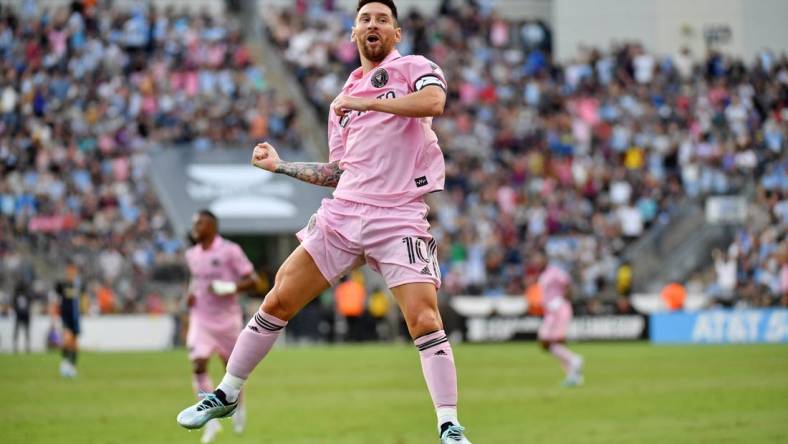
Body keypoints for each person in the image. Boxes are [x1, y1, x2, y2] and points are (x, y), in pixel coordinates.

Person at [176, 2, 472, 442]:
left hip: (399, 216)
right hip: (345, 213)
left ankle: (448, 425)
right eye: (366, 19)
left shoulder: (414, 68)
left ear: (397, 33)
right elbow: (339, 170)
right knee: (277, 300)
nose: (373, 25)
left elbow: (435, 102)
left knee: (425, 321)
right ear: (354, 33)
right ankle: (227, 392)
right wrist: (280, 166)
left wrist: (364, 100)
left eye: (382, 20)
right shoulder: (342, 101)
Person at [183, 210, 260, 443]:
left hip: (227, 319)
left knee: (232, 369)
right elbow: (197, 278)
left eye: (200, 223)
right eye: (194, 223)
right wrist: (190, 293)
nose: (195, 227)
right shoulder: (192, 254)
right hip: (202, 318)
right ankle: (210, 420)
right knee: (198, 364)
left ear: (213, 226)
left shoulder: (230, 250)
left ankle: (239, 408)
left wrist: (227, 288)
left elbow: (253, 280)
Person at [534, 253, 584, 386]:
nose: (536, 262)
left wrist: (561, 301)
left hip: (558, 311)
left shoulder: (555, 272)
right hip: (550, 312)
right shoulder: (543, 275)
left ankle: (574, 361)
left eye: (538, 259)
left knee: (547, 340)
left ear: (545, 259)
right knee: (550, 344)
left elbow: (568, 283)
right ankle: (573, 375)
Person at [55, 261, 81, 378]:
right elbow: (56, 296)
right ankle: (64, 364)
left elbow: (82, 299)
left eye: (73, 271)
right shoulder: (62, 285)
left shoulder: (78, 285)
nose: (72, 273)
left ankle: (72, 367)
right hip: (66, 317)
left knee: (75, 344)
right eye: (70, 271)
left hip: (76, 318)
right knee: (67, 339)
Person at [12, 280, 32, 353]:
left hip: (26, 315)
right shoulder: (16, 295)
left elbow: (30, 302)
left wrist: (26, 311)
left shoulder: (27, 295)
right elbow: (14, 304)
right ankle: (15, 347)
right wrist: (17, 311)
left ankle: (27, 347)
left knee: (27, 331)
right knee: (17, 331)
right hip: (19, 314)